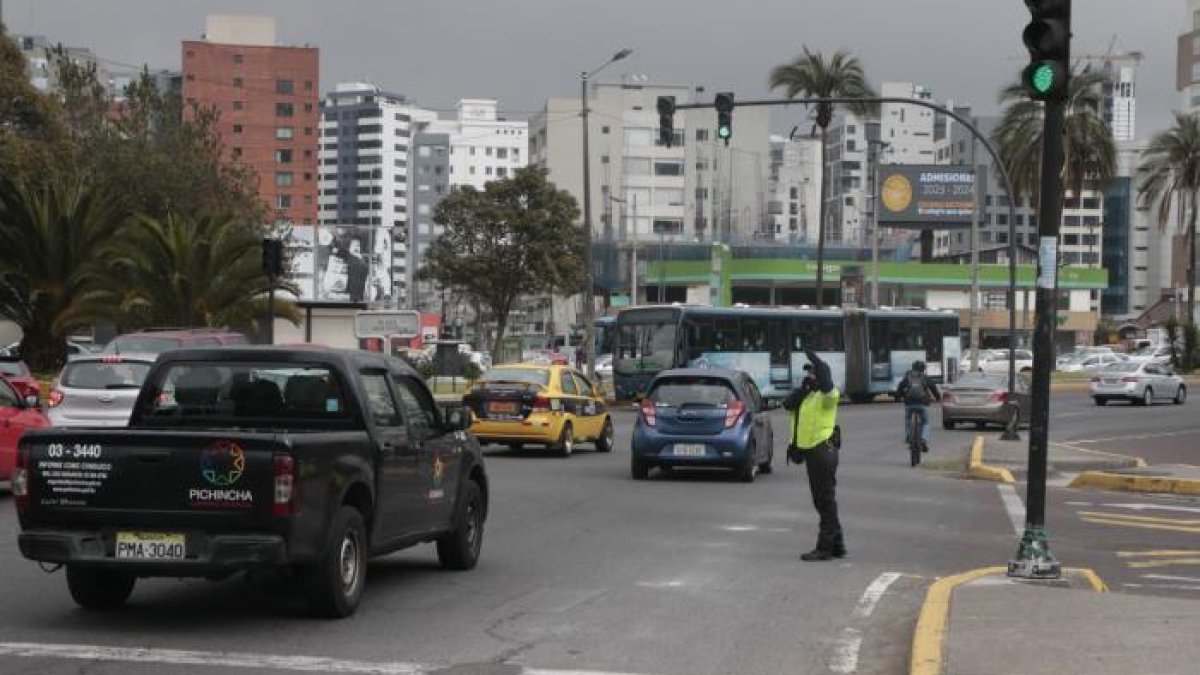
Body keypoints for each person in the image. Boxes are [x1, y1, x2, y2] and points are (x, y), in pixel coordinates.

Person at [782, 349, 845, 562]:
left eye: (813, 373)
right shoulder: (806, 396)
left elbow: (828, 386)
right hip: (811, 453)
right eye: (807, 373)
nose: (809, 376)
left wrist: (820, 364)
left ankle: (825, 548)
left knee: (824, 500)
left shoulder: (828, 396)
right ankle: (837, 544)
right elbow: (787, 405)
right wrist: (803, 389)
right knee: (823, 500)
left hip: (822, 450)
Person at [896, 360, 940, 453]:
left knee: (908, 419)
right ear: (923, 369)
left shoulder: (908, 376)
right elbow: (933, 388)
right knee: (926, 422)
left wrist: (898, 397)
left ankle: (908, 436)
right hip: (922, 404)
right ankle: (923, 439)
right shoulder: (924, 377)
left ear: (913, 368)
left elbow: (900, 387)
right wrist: (938, 398)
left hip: (909, 403)